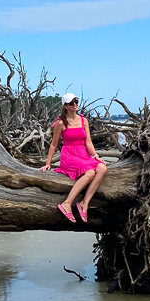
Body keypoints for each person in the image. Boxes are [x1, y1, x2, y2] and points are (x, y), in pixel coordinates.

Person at [41, 93, 108, 223]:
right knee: (89, 173)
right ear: (65, 106)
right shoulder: (61, 123)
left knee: (102, 168)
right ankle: (67, 203)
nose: (75, 105)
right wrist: (48, 163)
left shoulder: (84, 121)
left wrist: (95, 156)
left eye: (76, 102)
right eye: (71, 103)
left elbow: (88, 141)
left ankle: (84, 203)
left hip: (83, 154)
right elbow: (54, 144)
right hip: (69, 155)